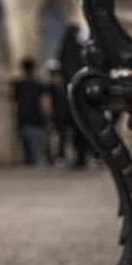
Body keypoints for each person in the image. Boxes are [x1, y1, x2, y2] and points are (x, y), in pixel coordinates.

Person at [58, 24, 91, 168]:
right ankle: (81, 156)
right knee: (80, 128)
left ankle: (76, 156)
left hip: (70, 94)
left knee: (71, 128)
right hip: (81, 94)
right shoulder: (79, 50)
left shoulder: (67, 49)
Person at [12, 58, 50, 166]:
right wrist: (47, 116)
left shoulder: (18, 85)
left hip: (23, 121)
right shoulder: (39, 86)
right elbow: (45, 103)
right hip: (35, 122)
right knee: (34, 155)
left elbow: (15, 102)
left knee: (27, 155)